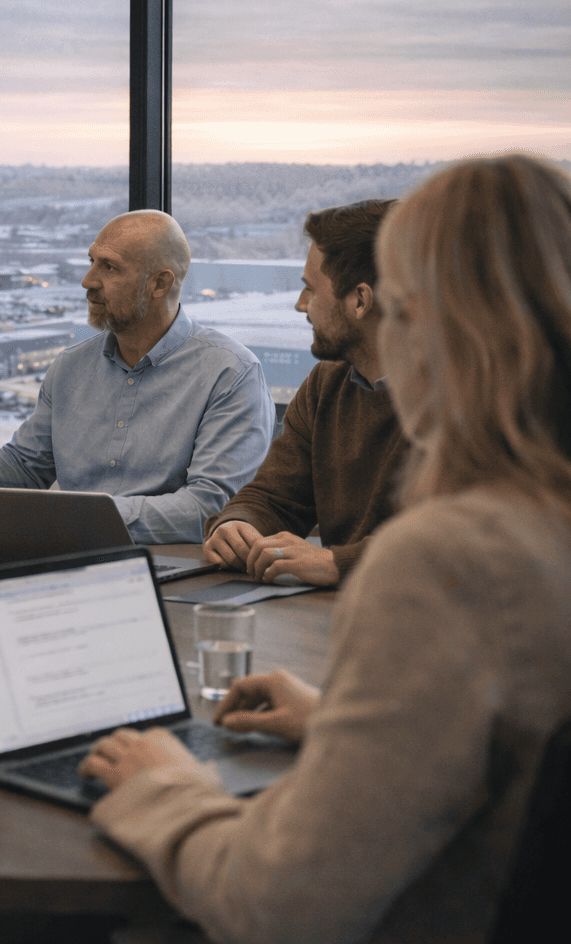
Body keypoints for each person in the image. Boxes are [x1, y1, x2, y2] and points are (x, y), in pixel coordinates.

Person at [78, 154, 571, 944]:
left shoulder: (451, 558)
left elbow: (279, 906)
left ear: (427, 321)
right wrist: (347, 721)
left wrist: (164, 787)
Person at [0, 210, 274, 543]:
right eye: (91, 262)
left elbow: (210, 508)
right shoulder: (71, 367)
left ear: (160, 284)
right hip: (71, 559)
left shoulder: (231, 374)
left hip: (175, 570)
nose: (87, 280)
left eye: (110, 268)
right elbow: (24, 470)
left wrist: (80, 519)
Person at [201, 200, 409, 586]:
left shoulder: (471, 395)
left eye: (309, 289)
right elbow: (273, 497)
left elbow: (469, 539)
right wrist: (236, 525)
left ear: (360, 301)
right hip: (342, 615)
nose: (300, 306)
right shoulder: (325, 385)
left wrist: (338, 564)